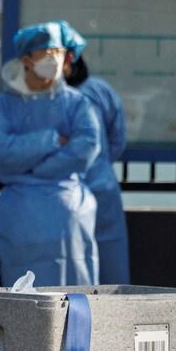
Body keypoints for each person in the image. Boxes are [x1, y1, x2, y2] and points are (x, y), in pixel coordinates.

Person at [0, 22, 101, 287]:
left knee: (74, 293)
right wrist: (49, 140)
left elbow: (87, 147)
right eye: (46, 53)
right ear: (26, 59)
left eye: (58, 52)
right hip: (20, 212)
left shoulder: (77, 102)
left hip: (69, 208)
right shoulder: (4, 105)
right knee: (25, 297)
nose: (55, 59)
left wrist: (33, 168)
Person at [59, 21, 130, 284]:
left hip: (102, 192)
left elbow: (116, 137)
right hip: (61, 197)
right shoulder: (37, 99)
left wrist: (96, 165)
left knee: (110, 276)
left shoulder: (98, 91)